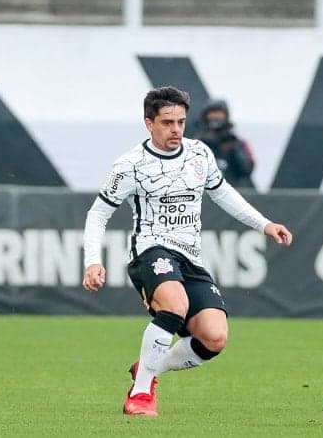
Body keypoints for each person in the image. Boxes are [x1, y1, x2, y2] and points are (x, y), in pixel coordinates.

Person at [82, 86, 292, 417]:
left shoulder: (199, 154)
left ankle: (149, 368)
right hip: (150, 252)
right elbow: (98, 213)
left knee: (214, 337)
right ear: (148, 123)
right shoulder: (130, 165)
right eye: (167, 122)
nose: (176, 130)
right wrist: (93, 261)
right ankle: (140, 395)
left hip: (190, 258)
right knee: (175, 305)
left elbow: (223, 194)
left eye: (180, 121)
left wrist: (264, 224)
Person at [195, 99, 255, 188]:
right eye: (212, 112)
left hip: (231, 191)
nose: (215, 116)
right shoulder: (197, 143)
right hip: (203, 194)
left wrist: (235, 151)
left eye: (218, 112)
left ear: (226, 115)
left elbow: (247, 170)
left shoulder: (237, 142)